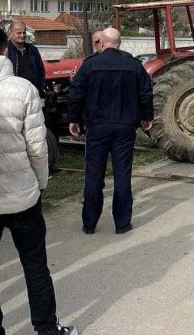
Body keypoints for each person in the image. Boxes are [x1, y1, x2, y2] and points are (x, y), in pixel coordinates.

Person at [0, 25, 76, 335]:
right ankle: (46, 328)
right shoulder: (22, 89)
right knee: (35, 265)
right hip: (20, 192)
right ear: (6, 50)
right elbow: (37, 146)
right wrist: (40, 183)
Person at [67, 27, 153, 235]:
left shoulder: (90, 66)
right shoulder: (134, 65)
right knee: (122, 175)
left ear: (102, 43)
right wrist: (147, 117)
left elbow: (76, 93)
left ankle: (89, 224)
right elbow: (146, 92)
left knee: (94, 175)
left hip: (97, 127)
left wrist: (73, 119)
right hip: (125, 127)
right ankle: (122, 224)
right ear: (119, 43)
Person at [7, 22, 45, 97]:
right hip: (15, 95)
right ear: (11, 33)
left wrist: (40, 88)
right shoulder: (5, 50)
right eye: (19, 33)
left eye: (24, 32)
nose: (22, 35)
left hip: (34, 93)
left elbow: (41, 70)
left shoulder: (32, 49)